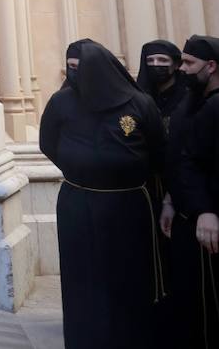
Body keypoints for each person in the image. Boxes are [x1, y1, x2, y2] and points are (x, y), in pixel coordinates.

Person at [41, 38, 166, 349]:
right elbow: (48, 143)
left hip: (128, 203)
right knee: (82, 279)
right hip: (78, 201)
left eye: (79, 70)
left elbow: (158, 150)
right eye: (70, 69)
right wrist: (80, 168)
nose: (74, 76)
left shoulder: (139, 104)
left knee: (128, 277)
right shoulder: (62, 102)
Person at [174, 34, 219, 344]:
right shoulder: (196, 105)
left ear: (211, 66)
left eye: (189, 63)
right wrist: (204, 210)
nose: (182, 69)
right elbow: (187, 162)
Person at [137, 39, 187, 124]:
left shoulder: (188, 97)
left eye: (163, 60)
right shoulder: (142, 99)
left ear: (176, 65)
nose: (155, 64)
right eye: (150, 60)